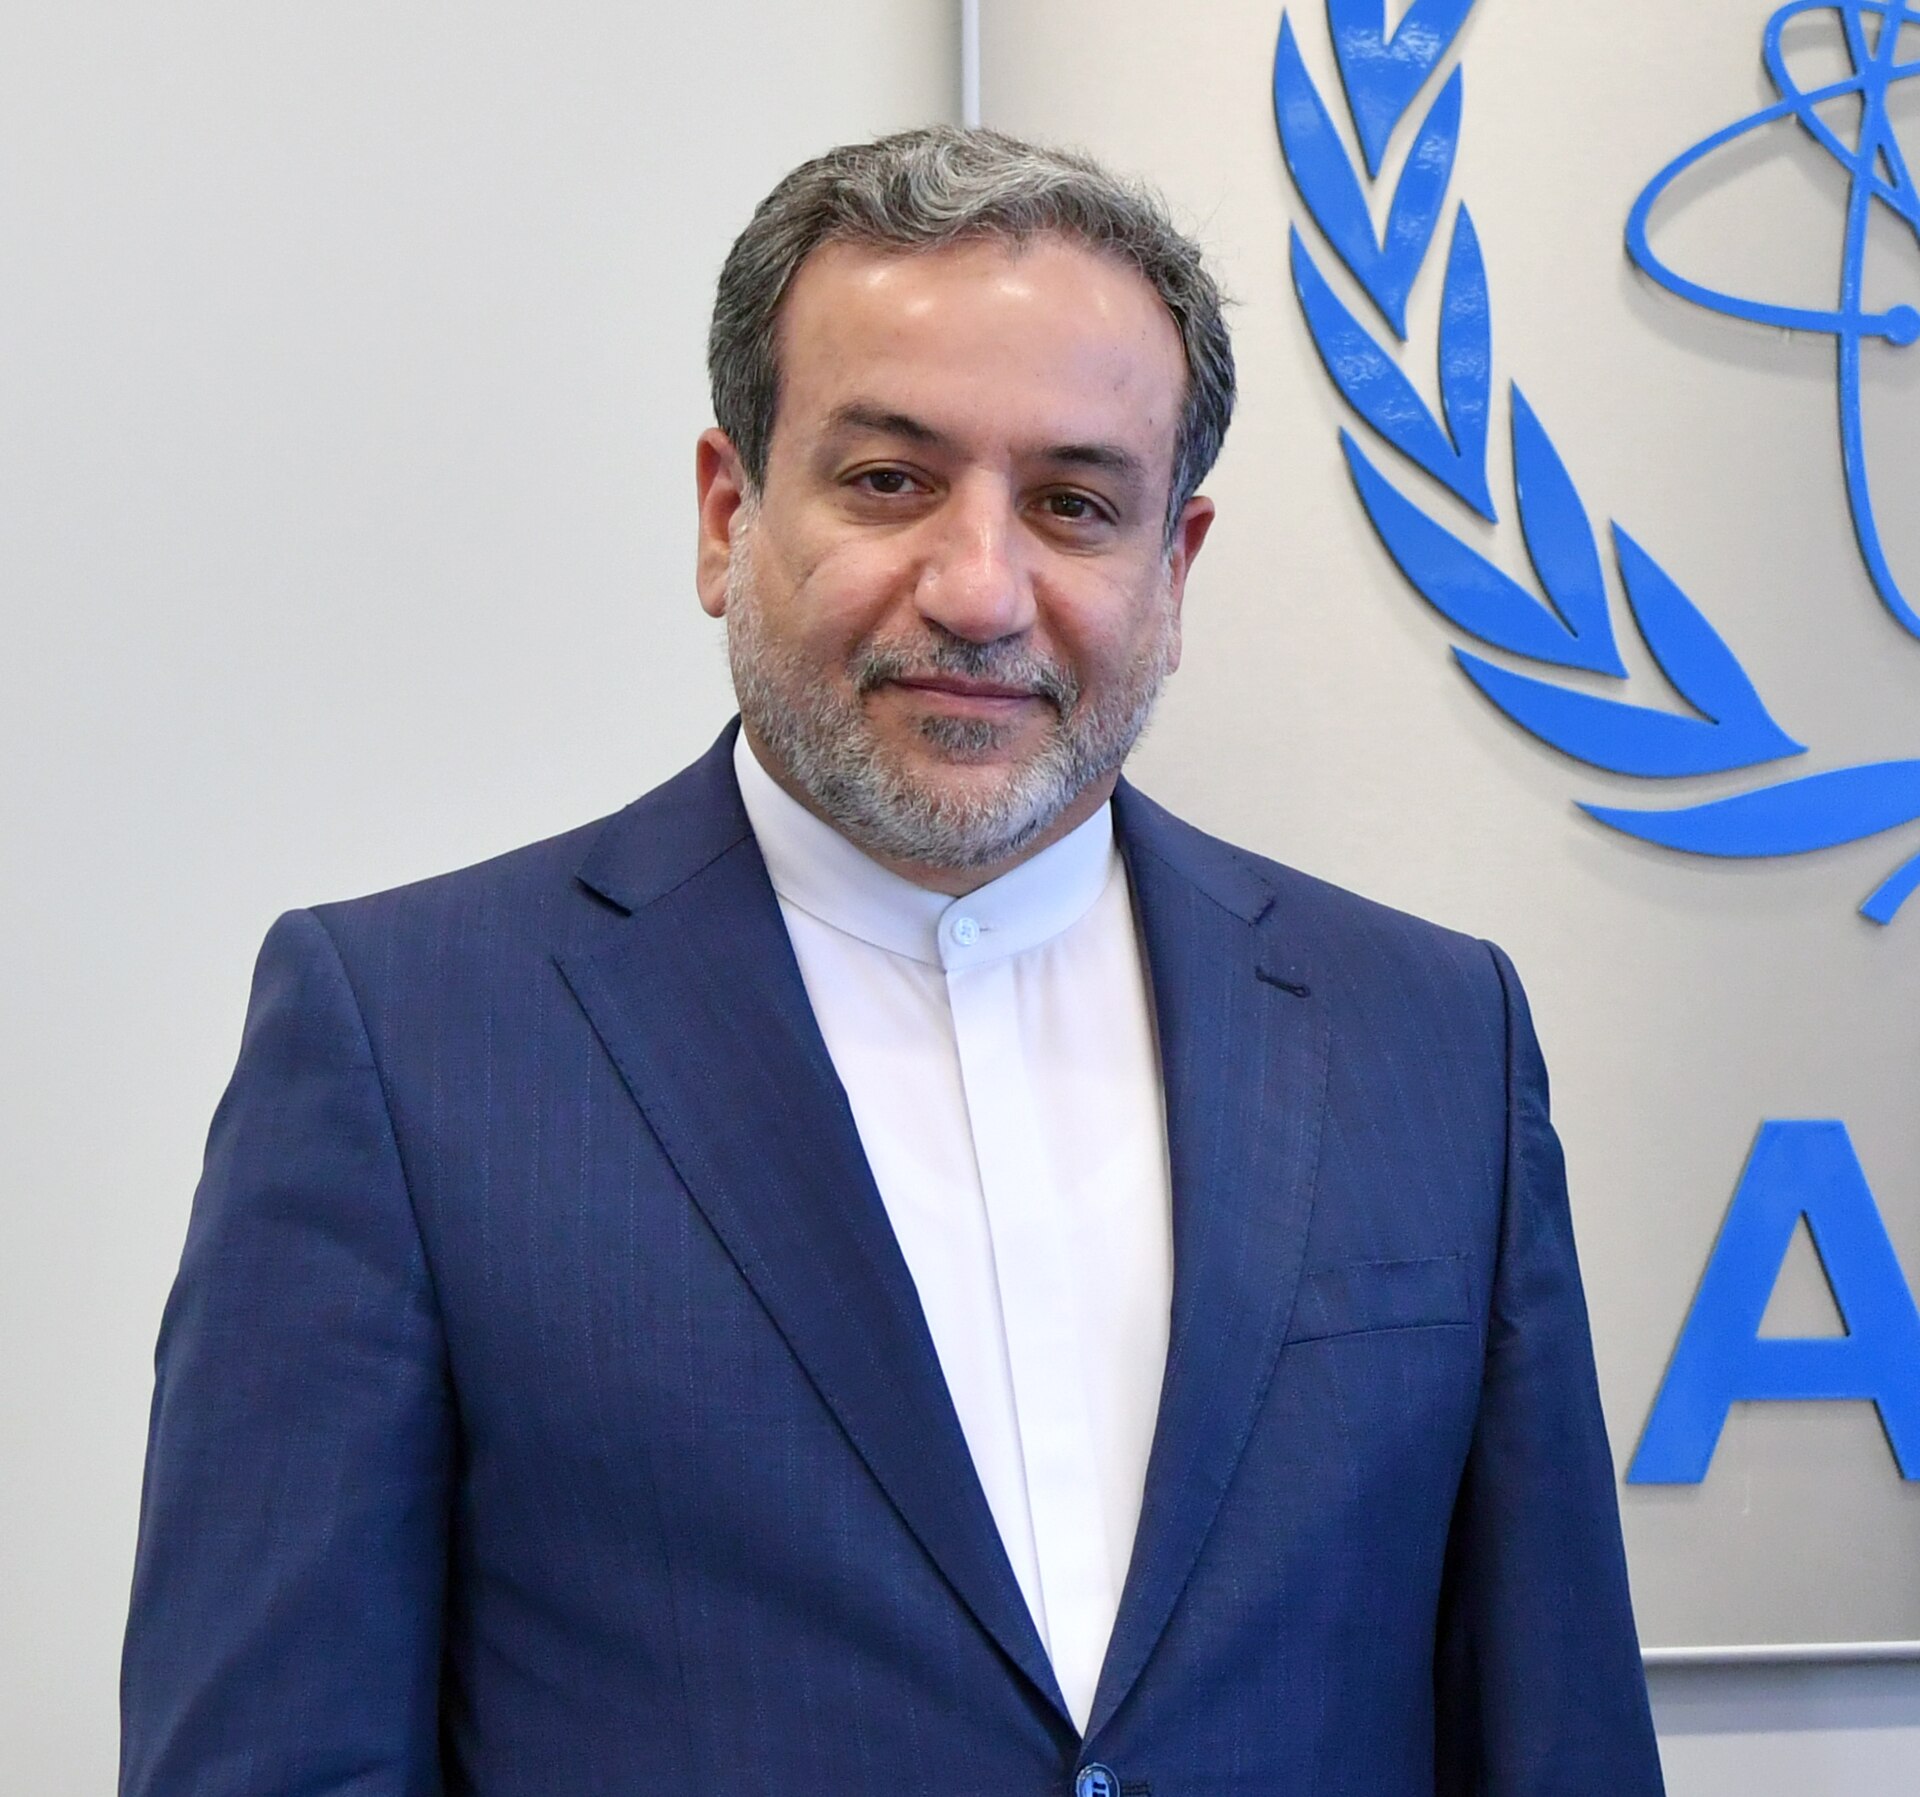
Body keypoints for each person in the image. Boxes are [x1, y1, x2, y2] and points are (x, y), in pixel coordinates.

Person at [120, 127, 1665, 1795]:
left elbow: (1556, 1737)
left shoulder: (1431, 1036)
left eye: (1075, 503)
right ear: (728, 516)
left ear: (1174, 567)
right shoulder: (402, 1044)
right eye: (889, 481)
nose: (982, 587)